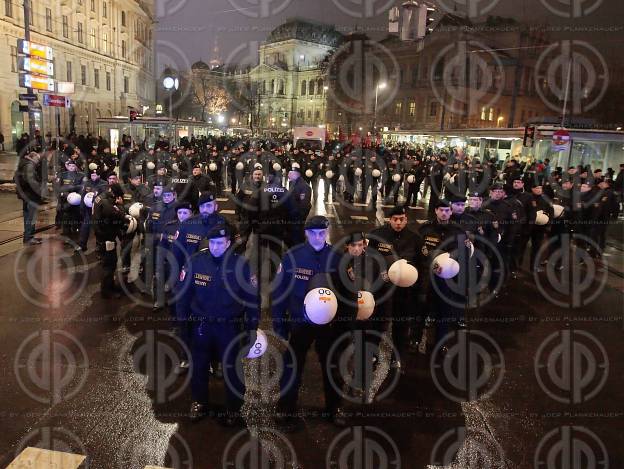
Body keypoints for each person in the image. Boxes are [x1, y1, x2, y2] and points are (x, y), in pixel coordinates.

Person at [176, 224, 259, 426]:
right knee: (199, 365)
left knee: (232, 368)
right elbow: (183, 297)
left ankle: (233, 408)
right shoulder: (195, 263)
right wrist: (182, 325)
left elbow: (252, 299)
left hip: (229, 327)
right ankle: (199, 401)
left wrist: (251, 328)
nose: (215, 247)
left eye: (220, 243)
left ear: (228, 243)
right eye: (212, 243)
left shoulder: (242, 266)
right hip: (201, 326)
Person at [272, 216, 347, 430]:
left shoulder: (337, 258)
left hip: (328, 325)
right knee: (292, 365)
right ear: (306, 233)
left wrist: (344, 325)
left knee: (332, 365)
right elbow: (279, 292)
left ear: (327, 232)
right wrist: (279, 322)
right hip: (299, 321)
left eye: (321, 233)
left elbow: (347, 294)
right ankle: (285, 406)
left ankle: (335, 407)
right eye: (313, 233)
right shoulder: (292, 257)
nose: (317, 237)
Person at [368, 205, 423, 370]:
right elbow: (370, 261)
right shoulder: (377, 236)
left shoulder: (415, 239)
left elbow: (420, 265)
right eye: (395, 219)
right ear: (389, 220)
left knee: (401, 324)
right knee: (377, 322)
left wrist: (418, 290)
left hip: (404, 291)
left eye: (402, 219)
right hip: (382, 289)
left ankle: (398, 356)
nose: (398, 223)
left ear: (406, 220)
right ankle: (372, 353)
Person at [92, 184, 127, 298]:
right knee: (109, 265)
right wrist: (121, 206)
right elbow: (118, 216)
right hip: (106, 237)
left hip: (102, 235)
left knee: (110, 262)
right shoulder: (106, 203)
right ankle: (107, 291)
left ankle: (110, 286)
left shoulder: (100, 197)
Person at [15, 151, 46, 245]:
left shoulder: (23, 164)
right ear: (33, 158)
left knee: (27, 216)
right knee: (30, 217)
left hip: (25, 195)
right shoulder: (29, 166)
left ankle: (28, 237)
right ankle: (29, 238)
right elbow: (30, 180)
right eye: (37, 158)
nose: (38, 160)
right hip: (31, 195)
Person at [287, 167, 312, 248]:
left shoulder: (305, 187)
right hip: (291, 216)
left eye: (291, 173)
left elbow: (304, 206)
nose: (288, 175)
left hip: (298, 216)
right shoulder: (292, 183)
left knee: (298, 236)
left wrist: (299, 216)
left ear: (297, 175)